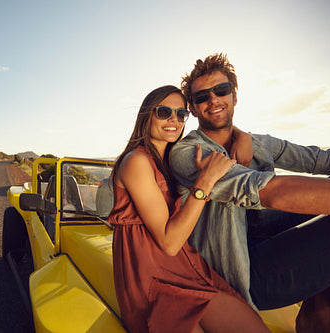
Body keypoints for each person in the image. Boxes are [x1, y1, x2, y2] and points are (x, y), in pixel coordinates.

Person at [169, 53, 330, 332]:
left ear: (234, 96)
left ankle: (328, 303)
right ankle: (325, 309)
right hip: (245, 274)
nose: (214, 100)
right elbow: (269, 193)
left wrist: (244, 137)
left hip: (270, 239)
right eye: (202, 97)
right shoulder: (188, 154)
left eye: (221, 90)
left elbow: (322, 160)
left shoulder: (256, 142)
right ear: (192, 109)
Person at [108, 85, 270, 332]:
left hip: (185, 270)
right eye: (164, 112)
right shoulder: (137, 161)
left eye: (181, 114)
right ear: (146, 115)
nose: (174, 120)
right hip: (154, 282)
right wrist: (205, 180)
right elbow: (169, 242)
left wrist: (241, 135)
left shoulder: (169, 160)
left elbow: (215, 131)